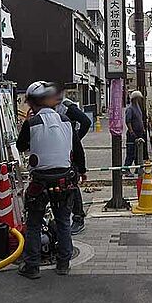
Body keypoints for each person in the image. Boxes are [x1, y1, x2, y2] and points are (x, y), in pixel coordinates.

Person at [16, 81, 76, 279]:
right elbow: (77, 148)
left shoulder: (31, 123)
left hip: (40, 180)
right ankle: (63, 263)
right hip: (64, 179)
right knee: (63, 221)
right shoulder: (66, 120)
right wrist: (81, 170)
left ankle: (32, 265)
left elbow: (20, 145)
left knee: (33, 223)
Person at [56, 95, 91, 235]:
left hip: (69, 151)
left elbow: (86, 122)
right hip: (56, 150)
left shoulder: (66, 106)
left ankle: (78, 217)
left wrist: (75, 137)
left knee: (72, 184)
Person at [124, 91, 145, 176]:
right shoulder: (130, 109)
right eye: (138, 98)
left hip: (139, 133)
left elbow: (140, 119)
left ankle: (138, 168)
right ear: (134, 99)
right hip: (132, 134)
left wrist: (143, 128)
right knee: (131, 152)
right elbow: (128, 121)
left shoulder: (138, 108)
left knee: (138, 152)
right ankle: (126, 169)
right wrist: (131, 131)